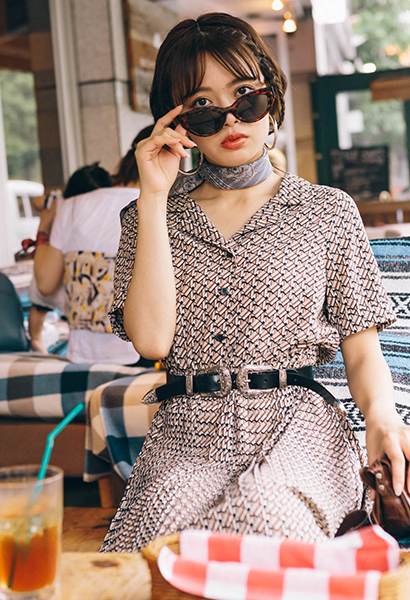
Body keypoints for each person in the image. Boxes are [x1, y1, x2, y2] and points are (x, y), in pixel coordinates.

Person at [101, 13, 410, 553]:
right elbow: (151, 342)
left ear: (272, 100)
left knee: (267, 514)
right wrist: (152, 197)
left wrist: (381, 415)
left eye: (246, 96)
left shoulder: (327, 211)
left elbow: (362, 351)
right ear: (176, 122)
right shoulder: (147, 217)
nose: (229, 118)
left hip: (298, 427)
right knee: (163, 543)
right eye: (202, 105)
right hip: (186, 434)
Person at [34, 127, 154, 364]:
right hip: (144, 352)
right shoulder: (163, 209)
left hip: (82, 355)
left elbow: (46, 284)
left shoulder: (71, 206)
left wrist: (43, 227)